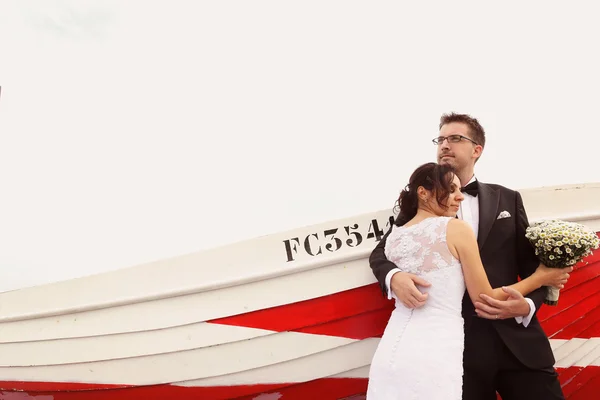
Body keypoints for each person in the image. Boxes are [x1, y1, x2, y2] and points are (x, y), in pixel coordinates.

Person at [367, 113, 571, 400]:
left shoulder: (507, 198)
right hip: (455, 350)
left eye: (455, 138)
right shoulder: (417, 208)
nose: (444, 145)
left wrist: (525, 305)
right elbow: (382, 252)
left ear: (477, 150)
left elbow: (529, 266)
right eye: (440, 139)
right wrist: (394, 276)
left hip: (517, 343)